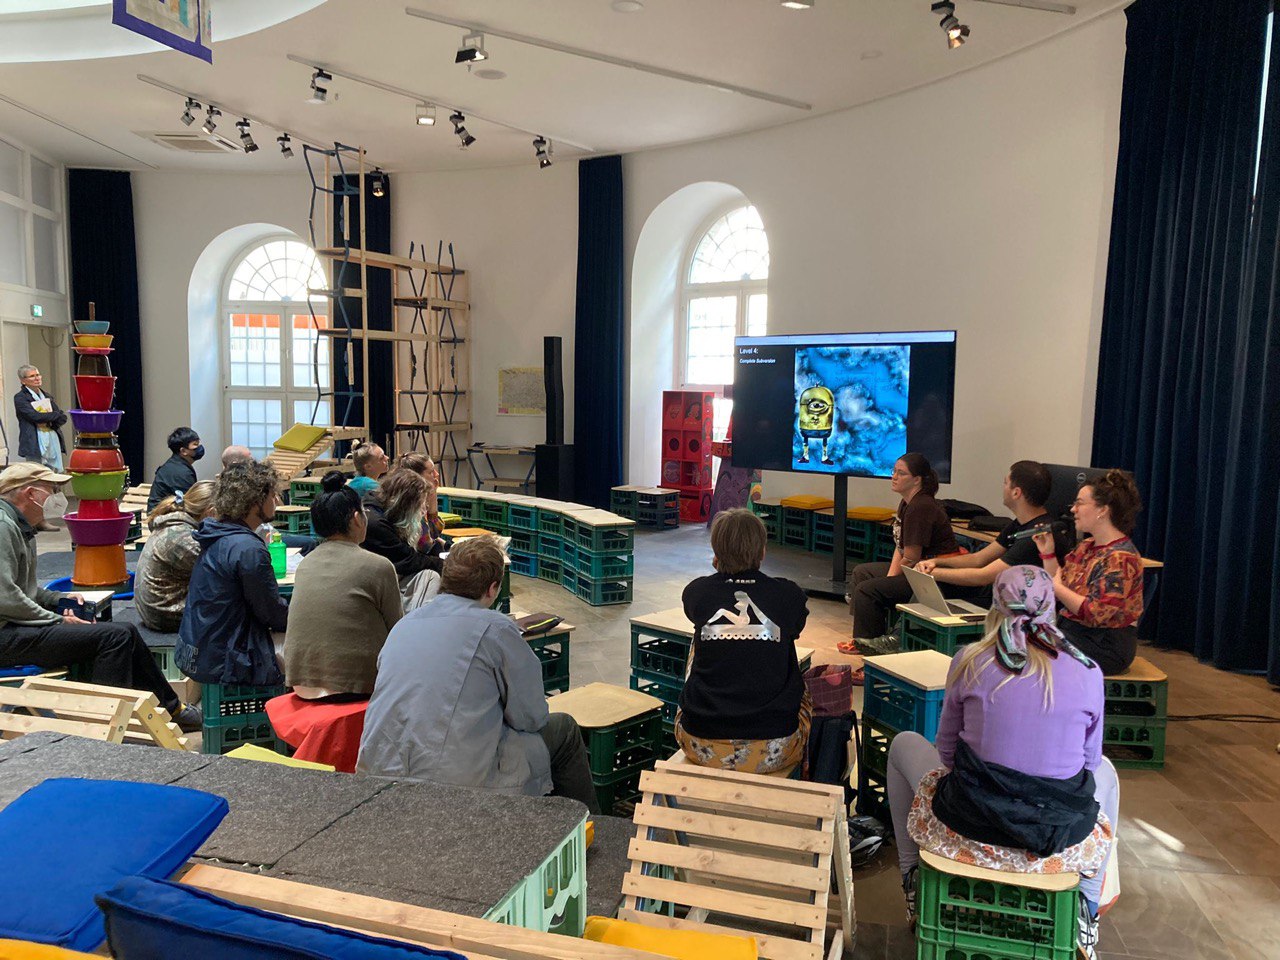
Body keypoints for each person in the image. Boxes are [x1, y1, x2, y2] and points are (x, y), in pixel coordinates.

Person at [885, 565, 1117, 959]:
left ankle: (912, 880)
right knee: (1108, 772)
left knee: (903, 744)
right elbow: (1090, 764)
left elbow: (947, 754)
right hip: (1054, 836)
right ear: (1052, 608)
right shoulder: (1088, 670)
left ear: (995, 608)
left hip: (971, 824)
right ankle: (1086, 910)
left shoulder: (969, 660)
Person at [358, 536, 599, 811]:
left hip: (379, 773)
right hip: (453, 781)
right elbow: (531, 717)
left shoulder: (404, 625)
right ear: (493, 588)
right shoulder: (496, 628)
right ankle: (590, 826)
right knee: (564, 729)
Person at [0, 463, 200, 730]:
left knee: (125, 631)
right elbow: (6, 598)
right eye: (52, 489)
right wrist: (55, 620)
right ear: (30, 493)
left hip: (14, 626)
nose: (57, 497)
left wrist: (58, 599)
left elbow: (24, 589)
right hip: (6, 635)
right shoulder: (4, 526)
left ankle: (170, 708)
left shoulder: (18, 525)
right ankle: (105, 723)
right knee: (113, 638)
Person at [676, 508, 811, 774]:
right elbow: (795, 627)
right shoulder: (789, 595)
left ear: (715, 551)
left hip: (699, 742)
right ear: (762, 551)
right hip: (775, 746)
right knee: (786, 648)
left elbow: (699, 611)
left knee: (701, 638)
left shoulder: (697, 592)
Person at [285, 472, 402, 701]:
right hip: (355, 686)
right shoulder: (378, 565)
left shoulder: (306, 563)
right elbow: (397, 630)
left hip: (301, 685)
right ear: (357, 518)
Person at [176, 459, 289, 685]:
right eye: (272, 495)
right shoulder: (248, 548)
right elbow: (271, 614)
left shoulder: (214, 534)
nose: (276, 500)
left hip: (199, 650)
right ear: (255, 501)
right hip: (227, 660)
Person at [847, 453, 961, 655]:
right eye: (894, 471)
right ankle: (863, 639)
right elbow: (900, 547)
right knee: (862, 572)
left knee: (867, 590)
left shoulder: (921, 506)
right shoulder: (907, 503)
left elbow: (911, 557)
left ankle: (873, 647)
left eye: (901, 473)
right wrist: (890, 577)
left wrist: (889, 581)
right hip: (914, 570)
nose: (894, 476)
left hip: (931, 576)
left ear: (917, 479)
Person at [1033, 470, 1144, 676]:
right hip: (1074, 631)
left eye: (1080, 503)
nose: (1073, 509)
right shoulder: (1087, 546)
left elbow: (1095, 613)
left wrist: (1057, 587)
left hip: (1104, 645)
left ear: (1102, 510)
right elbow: (1061, 584)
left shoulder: (1121, 558)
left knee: (1027, 641)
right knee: (1017, 631)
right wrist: (1048, 554)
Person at [916, 460, 1070, 590]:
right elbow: (977, 559)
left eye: (1006, 483)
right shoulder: (1020, 524)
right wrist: (936, 562)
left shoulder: (1036, 535)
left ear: (1016, 493)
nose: (1003, 488)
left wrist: (931, 573)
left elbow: (983, 576)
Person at [133, 480, 217, 632]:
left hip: (154, 610)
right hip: (165, 616)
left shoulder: (174, 524)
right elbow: (221, 572)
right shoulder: (182, 538)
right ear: (211, 513)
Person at [362, 468, 442, 609]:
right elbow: (407, 559)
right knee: (430, 576)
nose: (423, 510)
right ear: (406, 504)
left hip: (376, 579)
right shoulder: (375, 523)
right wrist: (445, 565)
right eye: (420, 505)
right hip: (368, 587)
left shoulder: (380, 510)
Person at [13, 365, 67, 472]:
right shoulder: (20, 397)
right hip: (33, 442)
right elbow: (35, 417)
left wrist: (48, 420)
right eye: (32, 376)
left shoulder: (47, 396)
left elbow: (62, 417)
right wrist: (53, 415)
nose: (37, 378)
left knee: (53, 475)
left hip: (52, 439)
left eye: (38, 375)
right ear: (23, 381)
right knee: (36, 475)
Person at [397, 452, 446, 550]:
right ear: (416, 476)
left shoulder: (420, 498)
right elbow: (426, 545)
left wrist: (433, 495)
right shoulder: (410, 503)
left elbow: (435, 532)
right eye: (431, 472)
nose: (436, 474)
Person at [147, 426, 204, 510]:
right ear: (183, 451)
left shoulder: (175, 465)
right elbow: (190, 504)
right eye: (195, 444)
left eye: (199, 443)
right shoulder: (181, 472)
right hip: (163, 516)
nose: (199, 447)